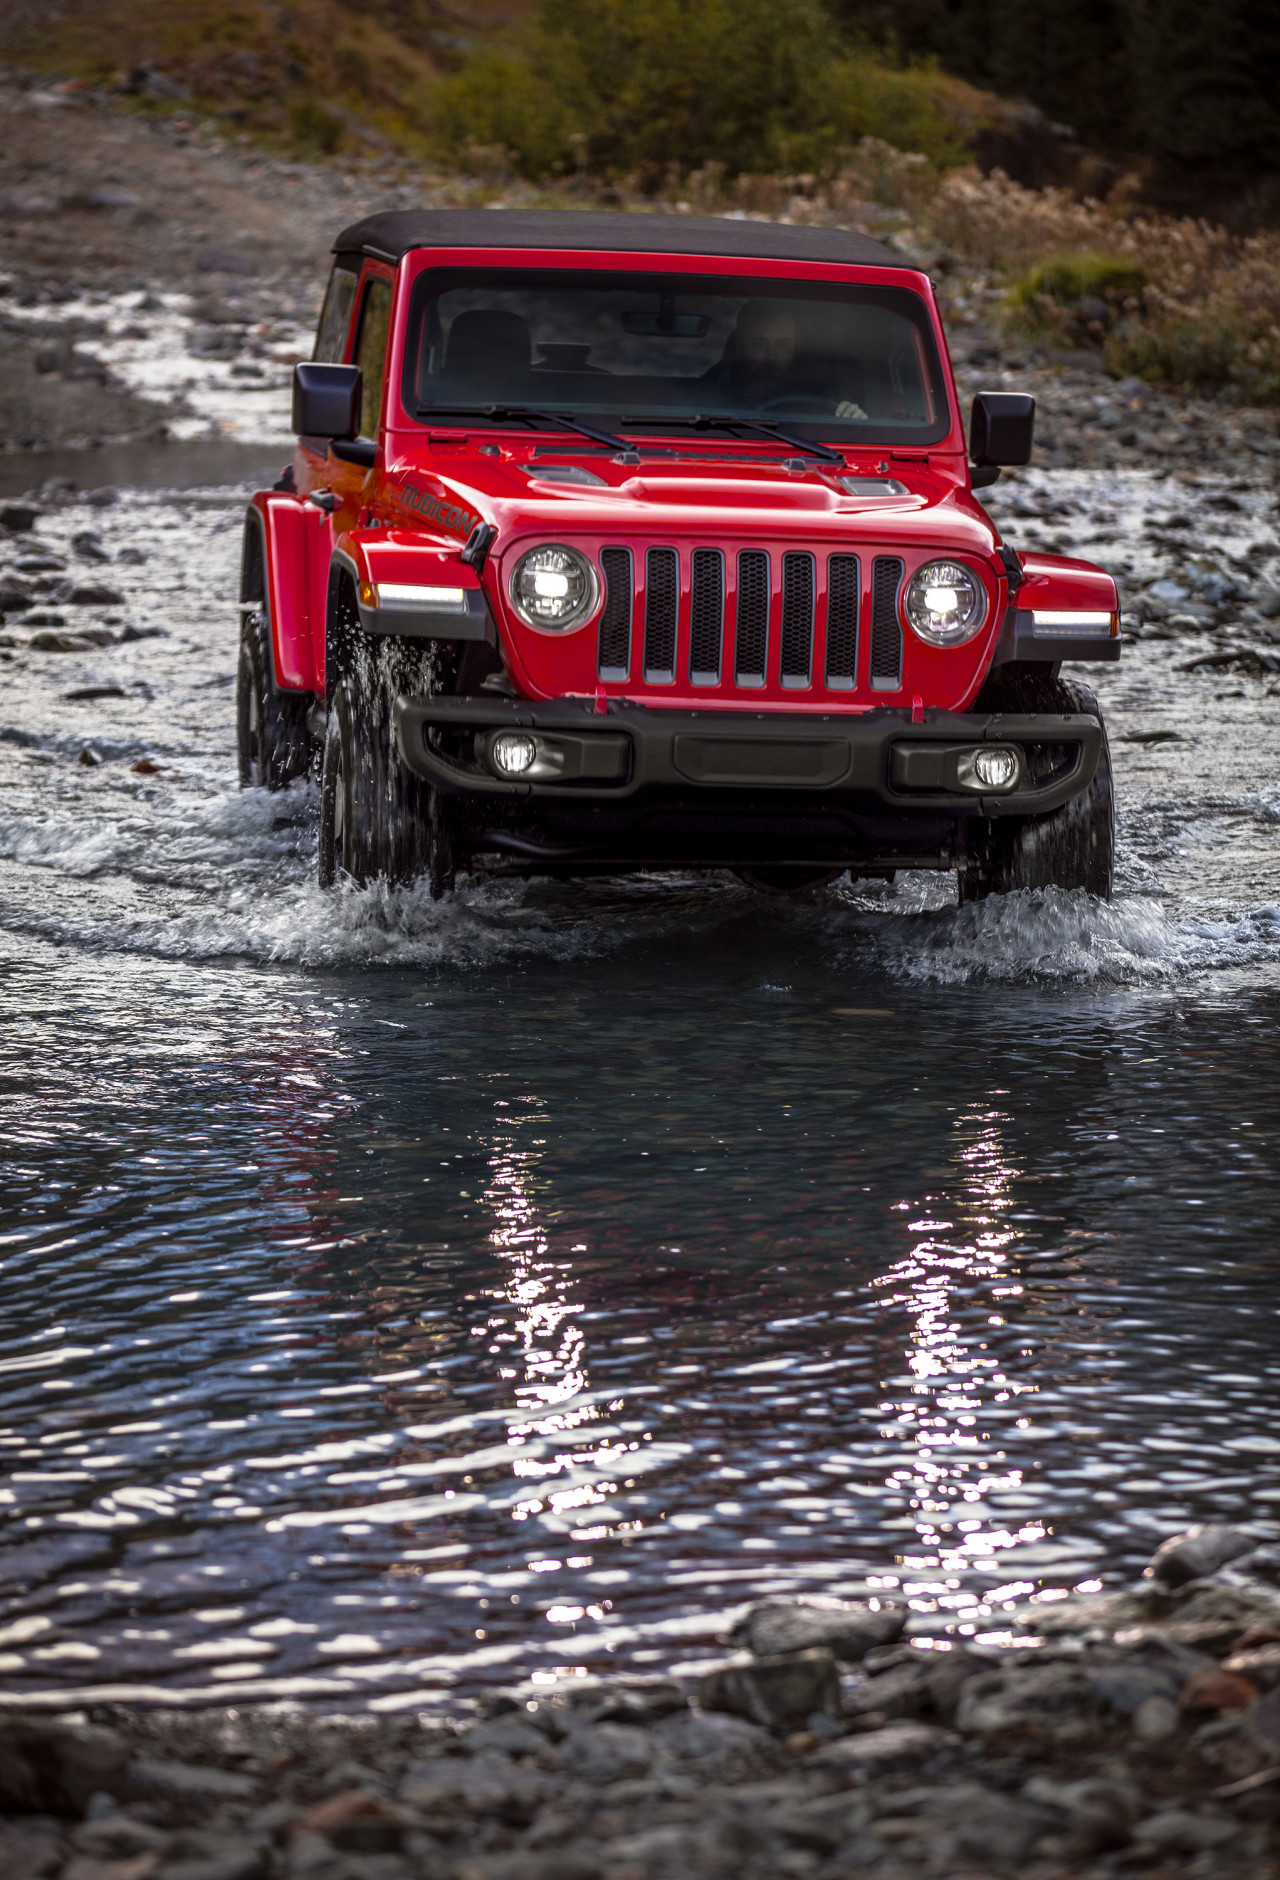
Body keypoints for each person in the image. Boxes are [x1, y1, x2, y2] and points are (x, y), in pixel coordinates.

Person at [703, 301, 868, 420]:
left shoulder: (821, 392)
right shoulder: (714, 386)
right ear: (739, 345)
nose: (770, 356)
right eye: (758, 344)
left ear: (796, 347)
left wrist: (854, 419)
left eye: (783, 345)